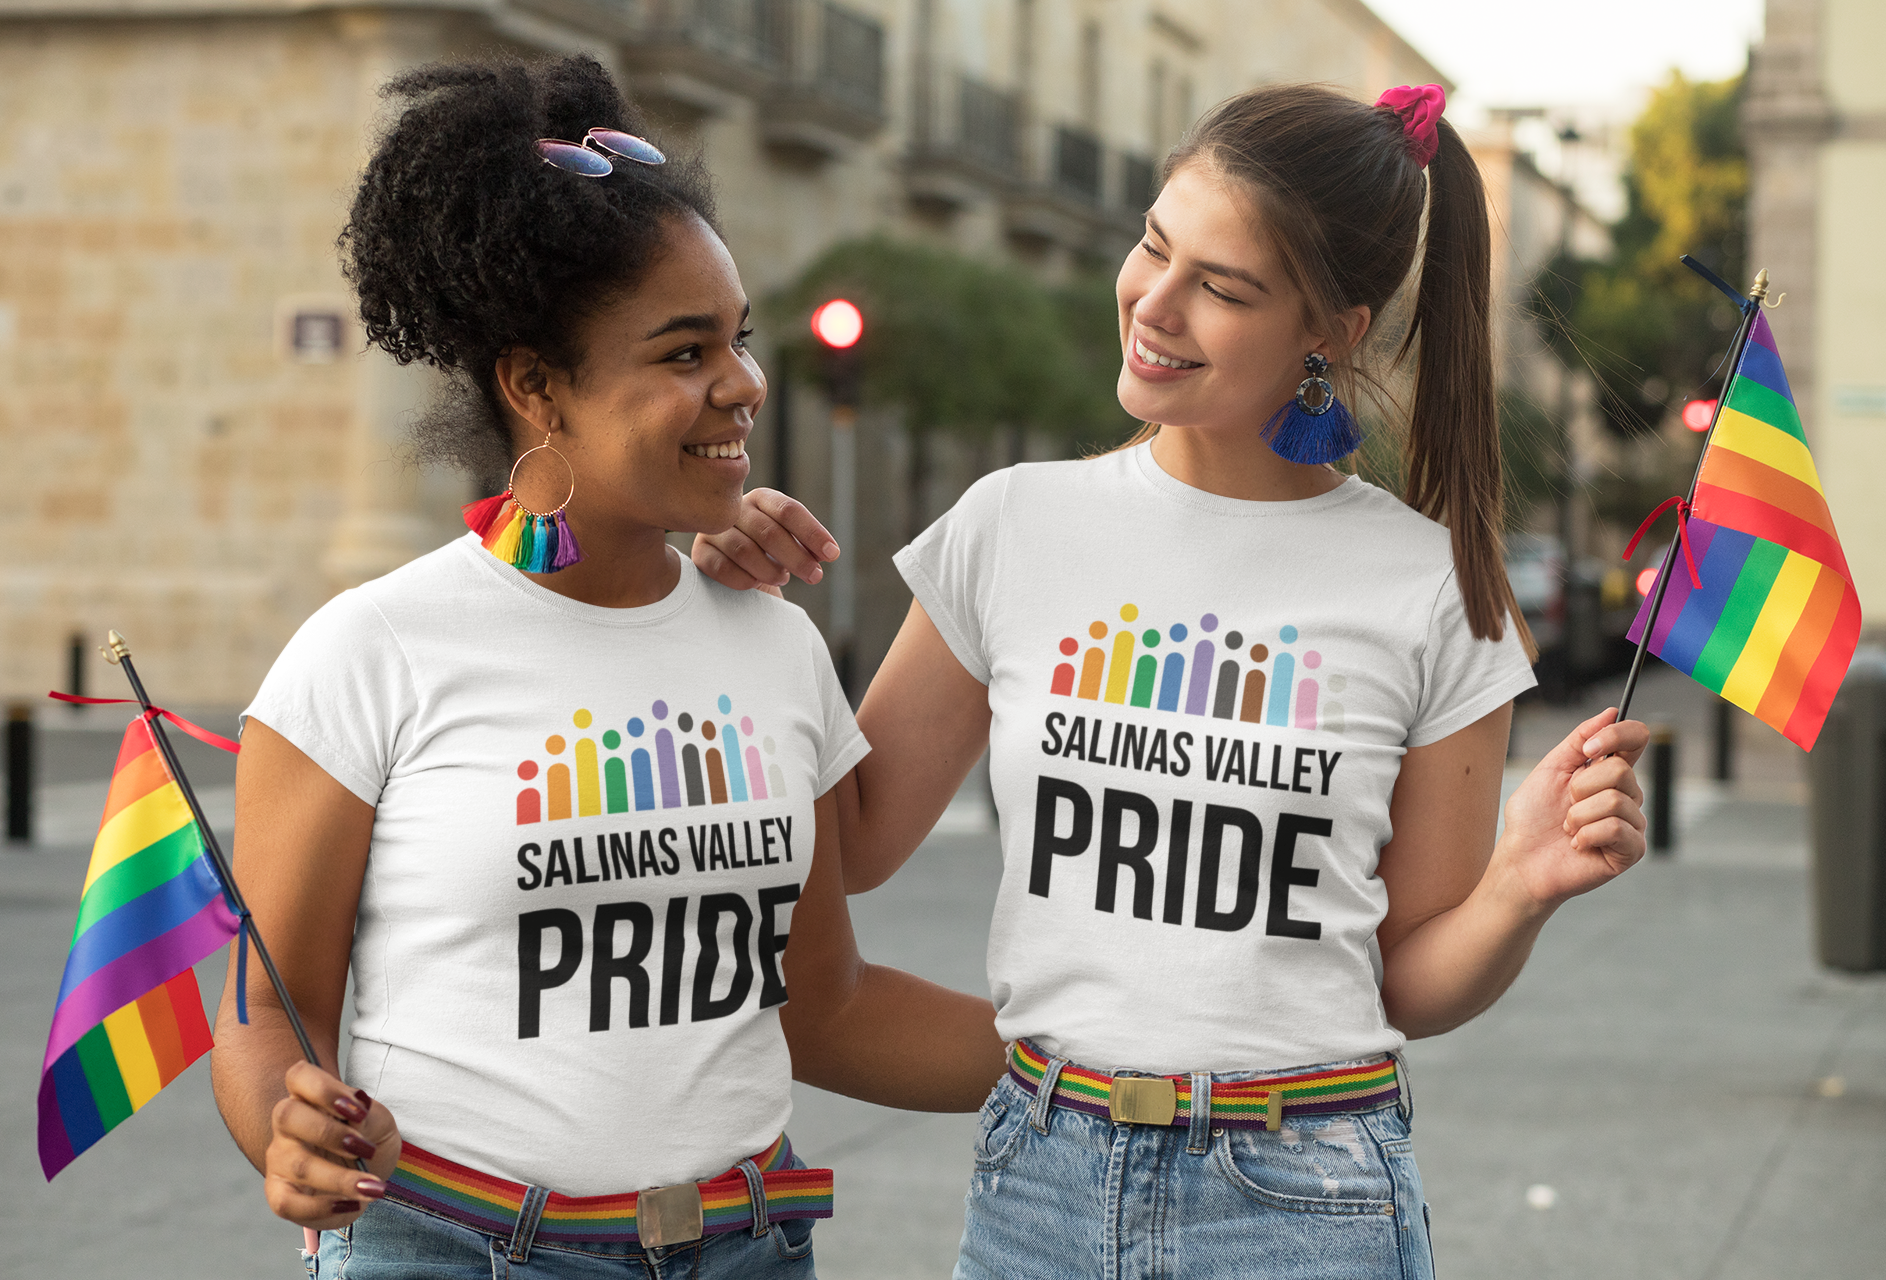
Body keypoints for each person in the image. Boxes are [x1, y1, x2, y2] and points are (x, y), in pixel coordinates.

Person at [693, 83, 1649, 1277]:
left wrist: (1520, 884)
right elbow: (859, 835)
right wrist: (748, 629)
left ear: (1333, 331)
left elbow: (1406, 972)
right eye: (1154, 244)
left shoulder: (1435, 589)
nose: (1155, 303)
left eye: (1224, 286)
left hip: (1303, 1195)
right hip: (1038, 1176)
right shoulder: (1013, 523)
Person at [209, 55, 1003, 1280]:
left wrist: (1102, 1053)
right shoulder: (370, 654)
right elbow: (272, 1012)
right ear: (534, 384)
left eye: (737, 340)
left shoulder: (774, 643)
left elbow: (826, 1006)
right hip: (452, 1248)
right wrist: (287, 1128)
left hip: (748, 1247)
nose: (742, 383)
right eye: (685, 353)